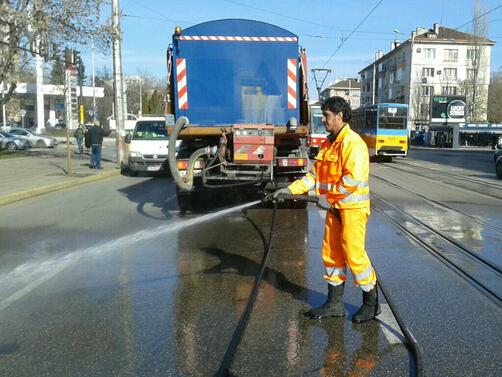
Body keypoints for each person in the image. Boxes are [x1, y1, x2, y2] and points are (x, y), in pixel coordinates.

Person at [274, 96, 379, 323]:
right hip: (334, 209)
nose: (324, 120)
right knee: (331, 255)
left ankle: (371, 303)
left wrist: (329, 198)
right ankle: (335, 304)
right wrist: (289, 191)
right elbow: (314, 177)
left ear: (340, 116)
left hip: (352, 210)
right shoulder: (328, 144)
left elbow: (353, 180)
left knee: (354, 254)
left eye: (327, 116)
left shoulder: (353, 144)